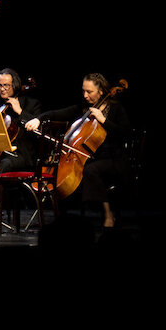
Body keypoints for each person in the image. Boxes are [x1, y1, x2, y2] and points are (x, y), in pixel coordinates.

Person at [24, 73, 130, 229]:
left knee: (90, 170)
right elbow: (58, 113)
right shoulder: (84, 108)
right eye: (83, 91)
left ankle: (108, 214)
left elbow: (125, 133)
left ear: (101, 91)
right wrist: (39, 118)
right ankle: (64, 218)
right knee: (75, 173)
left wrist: (103, 120)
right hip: (90, 157)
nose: (85, 95)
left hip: (113, 158)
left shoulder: (115, 108)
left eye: (89, 92)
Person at [0, 68, 42, 202]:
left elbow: (39, 132)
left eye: (6, 85)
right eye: (0, 85)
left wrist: (20, 112)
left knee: (0, 166)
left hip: (20, 155)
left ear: (15, 85)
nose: (2, 89)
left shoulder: (30, 104)